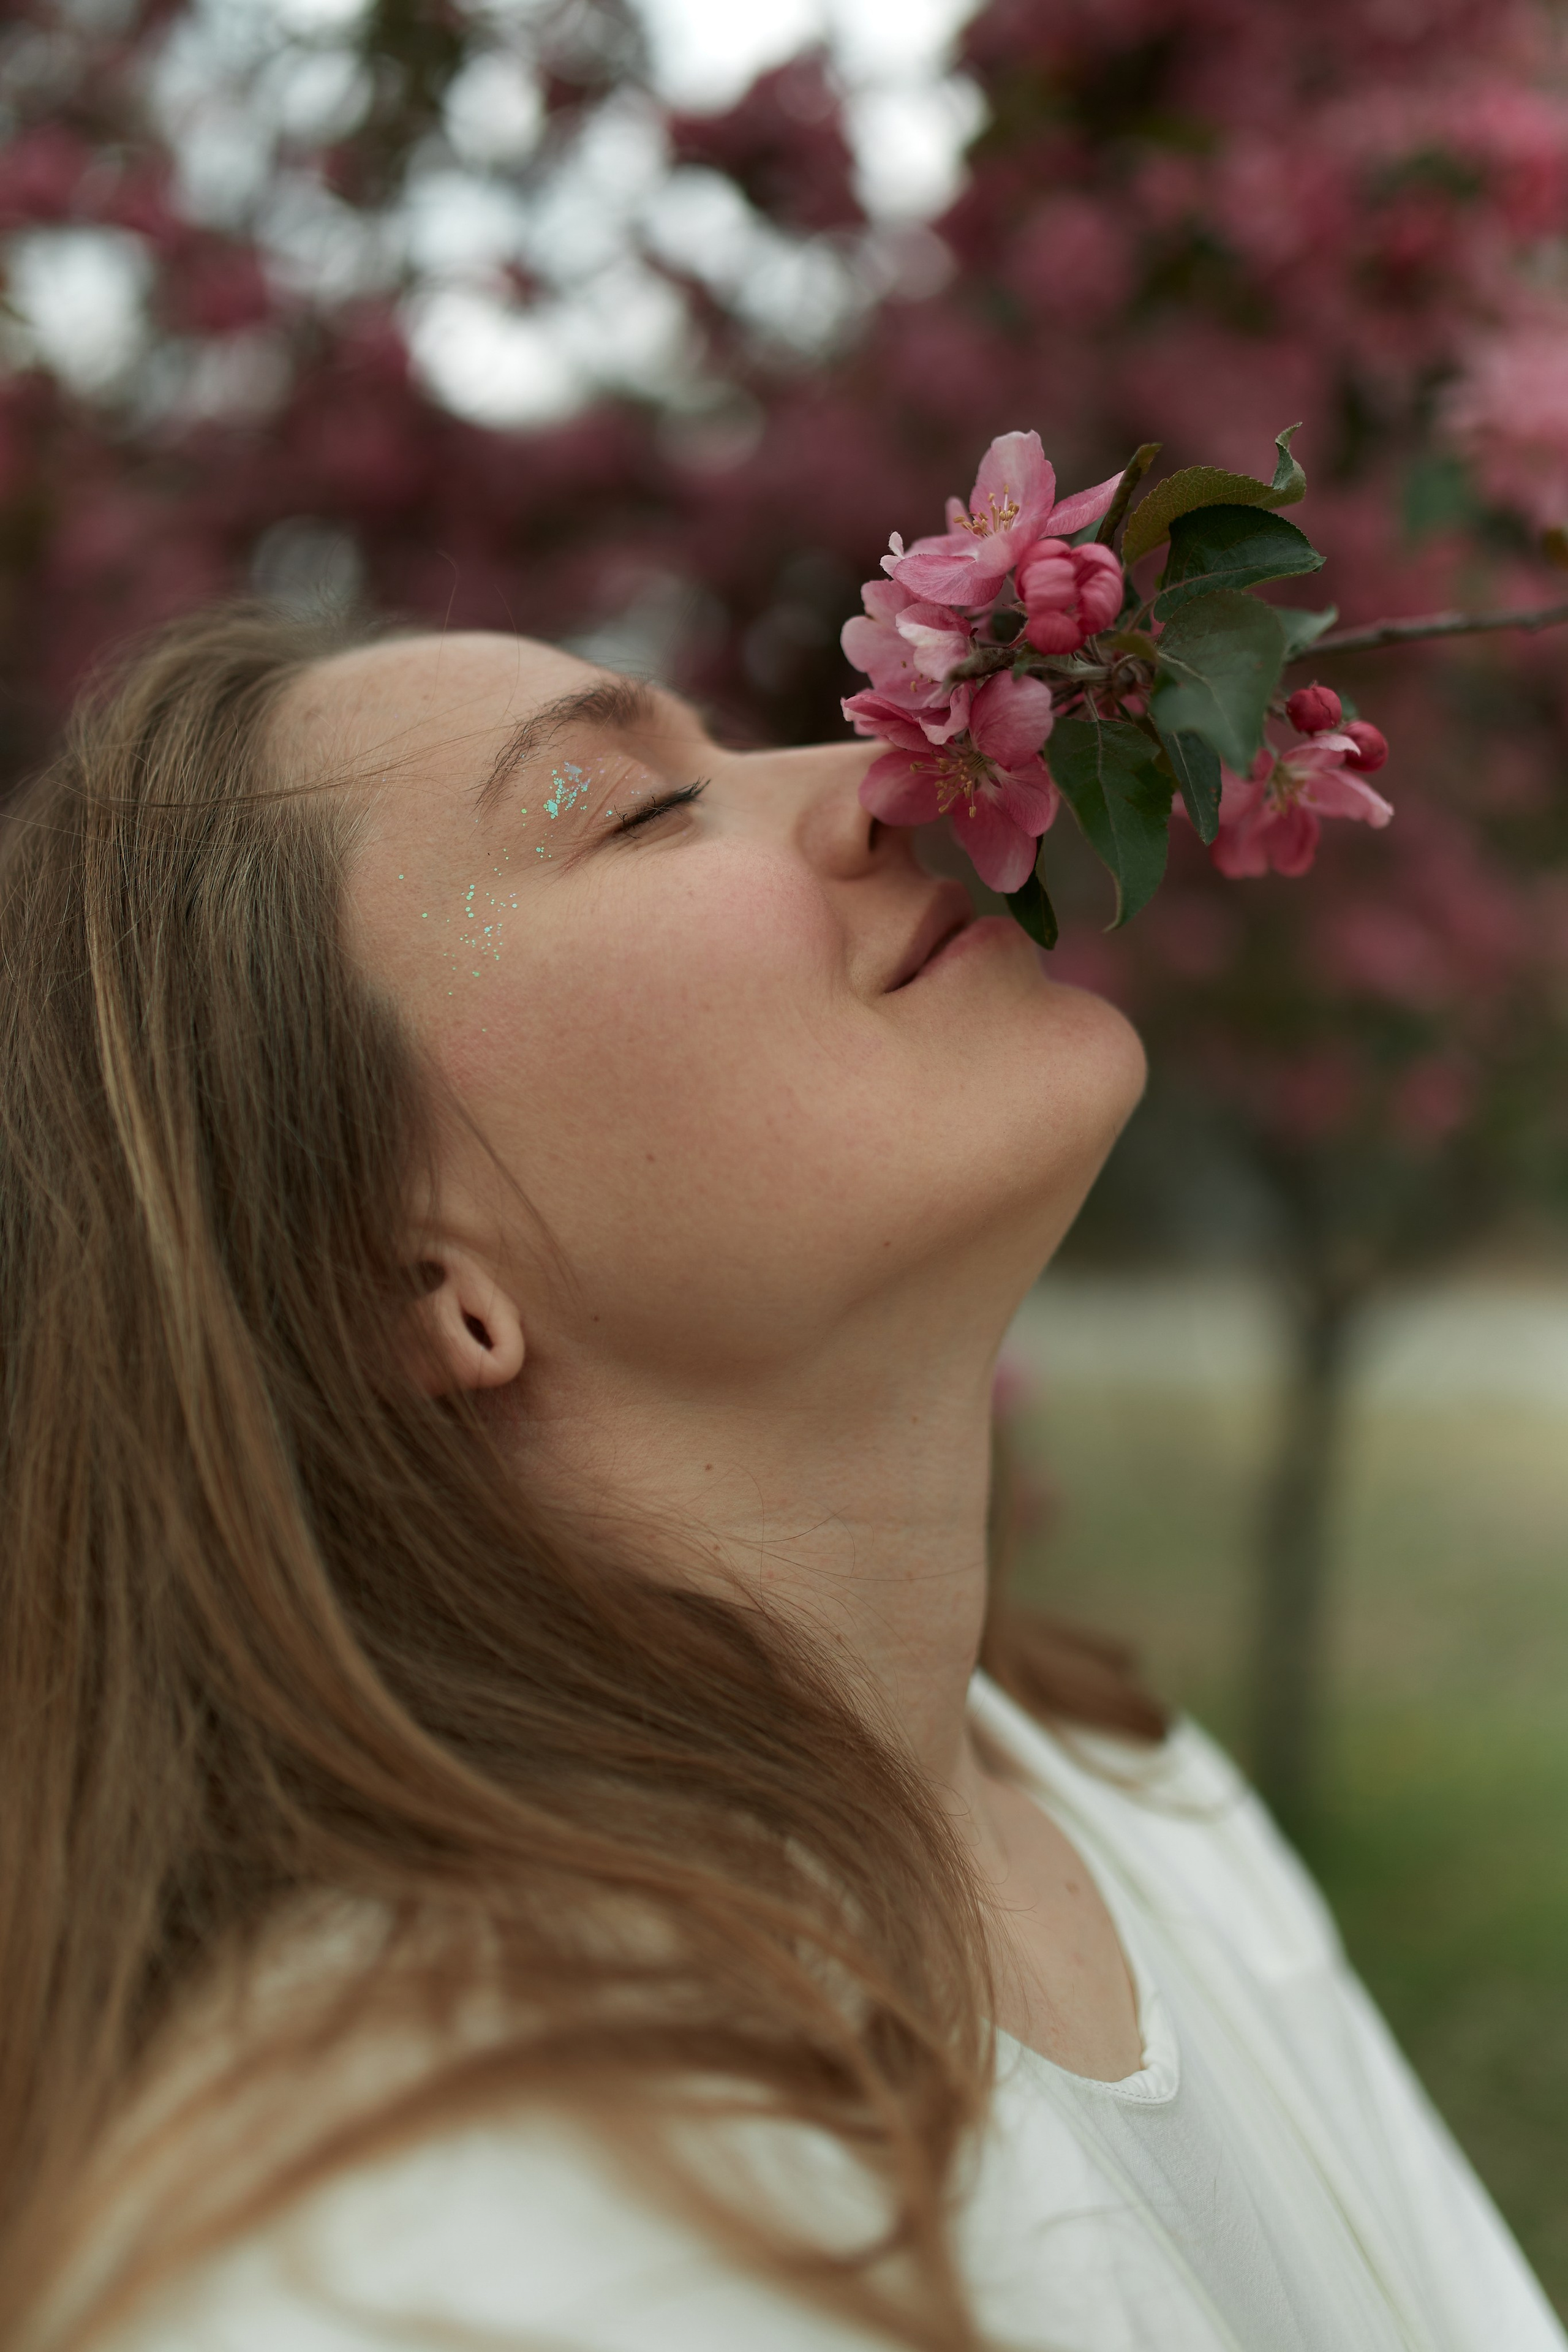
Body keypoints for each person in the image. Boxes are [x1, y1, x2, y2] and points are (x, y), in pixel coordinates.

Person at [0, 604, 1559, 2352]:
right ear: (394, 1276)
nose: (888, 785)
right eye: (639, 809)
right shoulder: (437, 2250)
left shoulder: (1121, 1792)